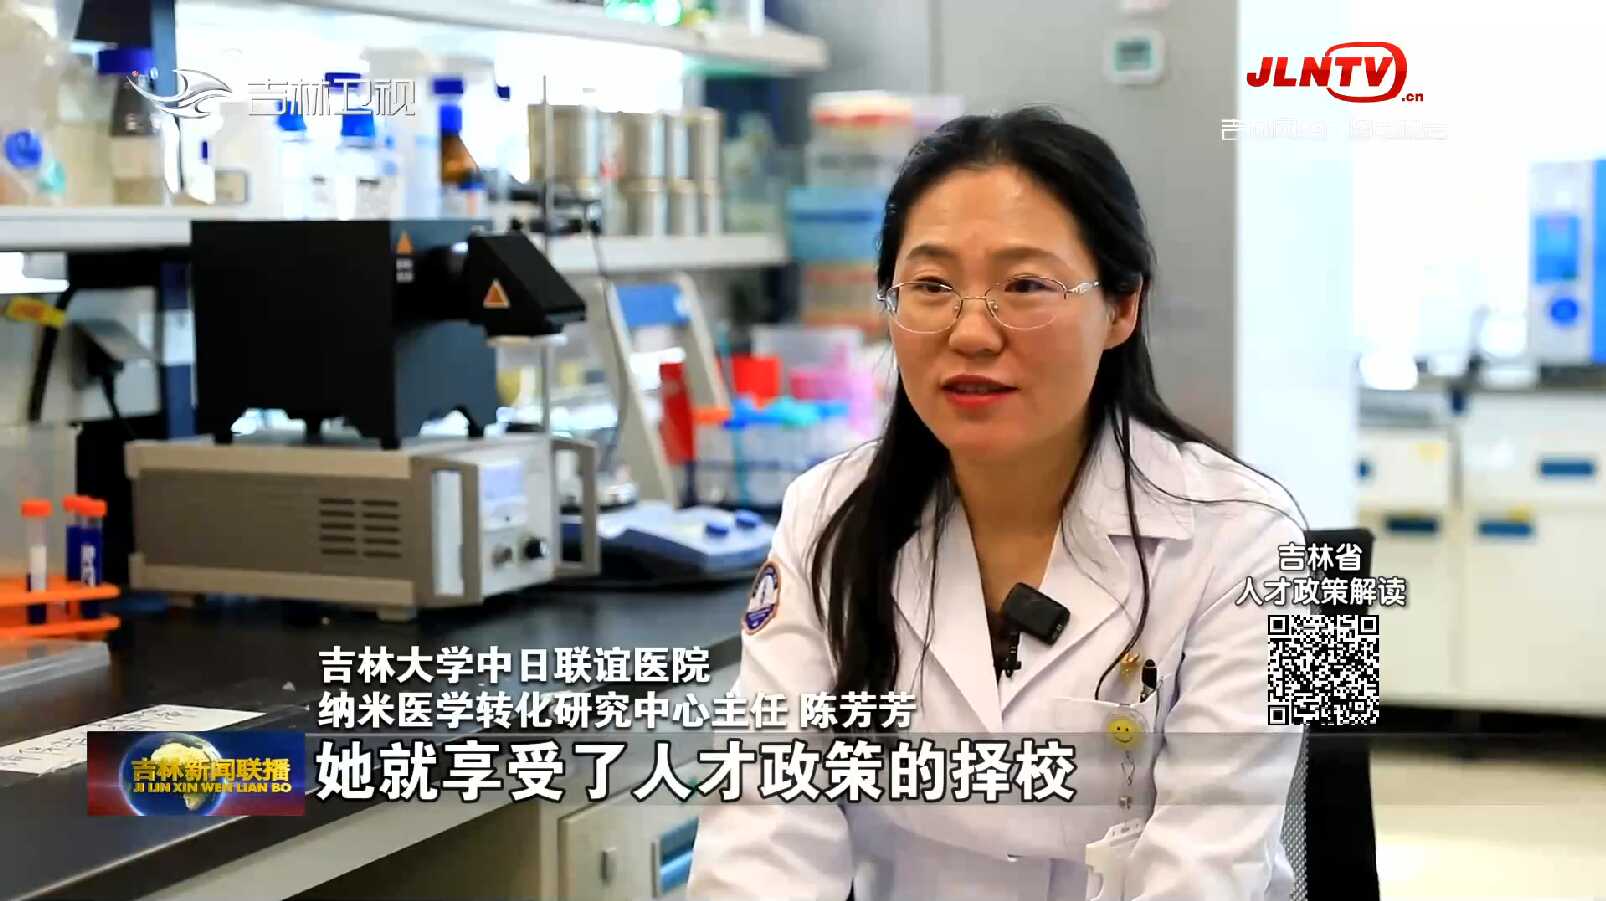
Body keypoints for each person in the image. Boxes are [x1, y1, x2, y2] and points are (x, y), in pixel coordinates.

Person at [688, 107, 1307, 900]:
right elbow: (759, 837)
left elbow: (1208, 869)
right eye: (932, 286)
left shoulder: (1260, 537)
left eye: (1025, 286)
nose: (972, 333)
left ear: (1122, 308)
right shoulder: (824, 514)